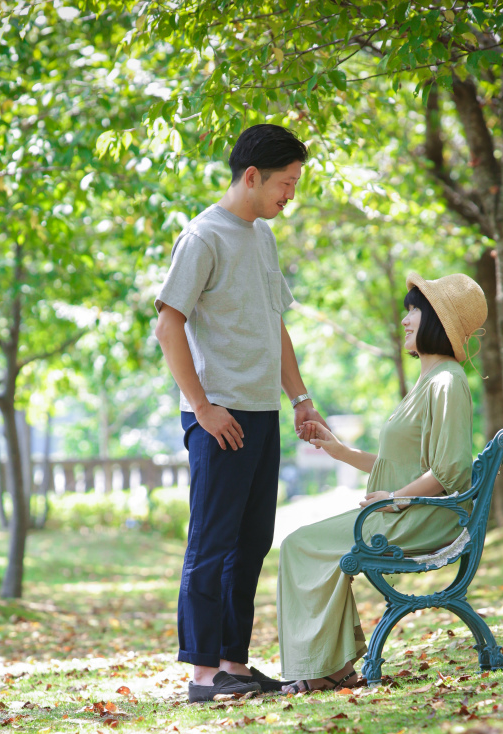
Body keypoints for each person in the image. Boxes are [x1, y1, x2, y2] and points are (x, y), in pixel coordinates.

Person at [155, 124, 327, 703]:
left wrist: (300, 400)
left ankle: (233, 663)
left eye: (296, 184)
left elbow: (274, 324)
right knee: (212, 543)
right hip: (218, 417)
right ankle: (203, 675)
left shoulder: (261, 238)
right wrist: (202, 407)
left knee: (251, 542)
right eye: (286, 183)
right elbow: (168, 322)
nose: (291, 195)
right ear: (252, 176)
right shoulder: (202, 238)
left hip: (260, 413)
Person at [277, 270, 488, 695]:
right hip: (405, 511)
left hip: (425, 518)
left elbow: (451, 470)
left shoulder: (446, 381)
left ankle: (327, 667)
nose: (406, 321)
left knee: (299, 545)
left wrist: (397, 498)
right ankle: (330, 666)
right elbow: (404, 464)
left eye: (415, 312)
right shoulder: (429, 382)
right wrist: (339, 451)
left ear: (437, 324)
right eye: (408, 312)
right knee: (303, 544)